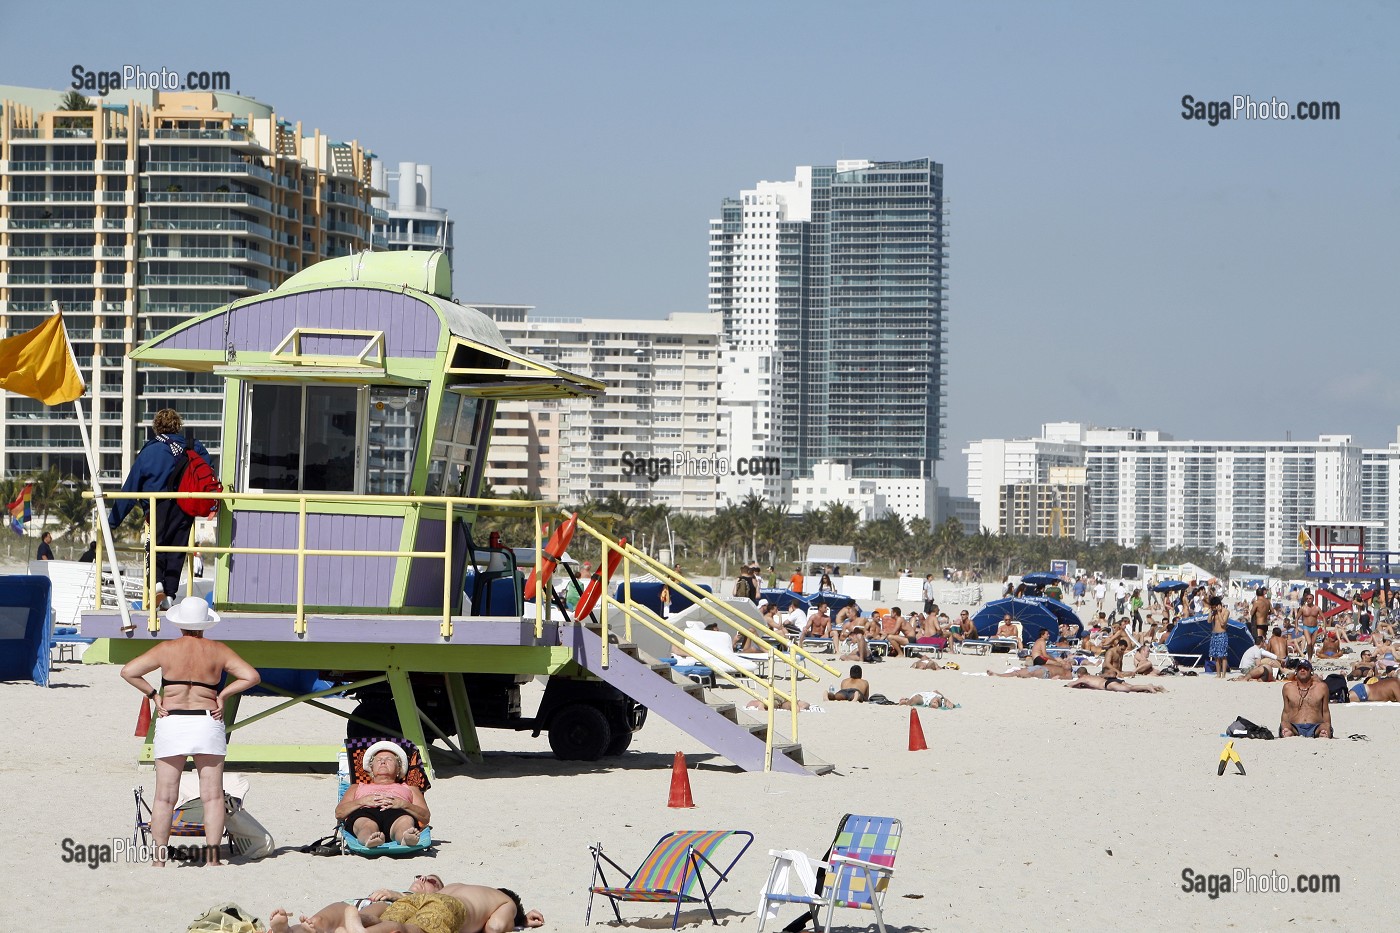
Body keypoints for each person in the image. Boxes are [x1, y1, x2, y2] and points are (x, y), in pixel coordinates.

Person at [119, 596, 260, 865]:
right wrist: (223, 695)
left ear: (179, 623)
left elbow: (129, 671)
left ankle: (159, 859)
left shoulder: (166, 649)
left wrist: (153, 695)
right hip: (206, 721)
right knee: (213, 795)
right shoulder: (218, 650)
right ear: (205, 625)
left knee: (164, 796)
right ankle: (212, 859)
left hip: (173, 720)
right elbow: (251, 676)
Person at [108, 408, 213, 611]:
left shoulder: (150, 450)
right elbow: (207, 473)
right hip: (185, 506)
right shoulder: (193, 446)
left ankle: (157, 584)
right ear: (178, 425)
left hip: (157, 506)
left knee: (156, 547)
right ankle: (171, 596)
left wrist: (112, 521)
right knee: (177, 551)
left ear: (156, 427)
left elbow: (131, 486)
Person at [272, 876, 545, 933]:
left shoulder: (458, 883)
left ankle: (295, 931)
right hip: (449, 907)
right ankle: (356, 929)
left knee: (380, 917)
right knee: (407, 931)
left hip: (414, 901)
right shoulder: (504, 899)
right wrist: (516, 921)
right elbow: (496, 927)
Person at [335, 741, 431, 848]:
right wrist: (362, 801)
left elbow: (425, 817)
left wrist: (404, 804)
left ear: (399, 768)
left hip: (398, 813)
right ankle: (369, 839)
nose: (383, 762)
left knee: (405, 821)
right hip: (365, 813)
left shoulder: (410, 788)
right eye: (378, 760)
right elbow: (339, 813)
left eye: (389, 759)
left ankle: (405, 838)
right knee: (366, 824)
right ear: (371, 768)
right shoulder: (356, 786)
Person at [1279, 659, 1332, 737]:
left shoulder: (1322, 687)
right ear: (1296, 672)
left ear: (1311, 671)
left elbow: (1325, 711)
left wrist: (1328, 728)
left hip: (1316, 727)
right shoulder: (1288, 688)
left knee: (1325, 729)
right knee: (1285, 727)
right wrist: (1284, 727)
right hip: (1295, 727)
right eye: (1300, 668)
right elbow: (1286, 711)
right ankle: (1288, 732)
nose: (1302, 670)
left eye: (1305, 668)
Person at [1065, 671, 1166, 693]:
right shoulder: (1091, 676)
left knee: (1128, 689)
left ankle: (1148, 686)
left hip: (1107, 684)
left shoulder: (1084, 678)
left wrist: (1066, 685)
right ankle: (1155, 687)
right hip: (1112, 680)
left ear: (1080, 675)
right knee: (1132, 686)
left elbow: (1070, 685)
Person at [1207, 595, 1229, 679]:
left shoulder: (1225, 611)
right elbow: (1209, 621)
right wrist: (1211, 612)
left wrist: (1219, 612)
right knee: (1215, 656)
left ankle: (1223, 674)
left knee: (1223, 655)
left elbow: (1223, 623)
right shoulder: (1213, 612)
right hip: (1214, 635)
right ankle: (1218, 673)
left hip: (1222, 634)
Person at [1297, 589, 1322, 661]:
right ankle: (1309, 658)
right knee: (1309, 643)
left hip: (1315, 628)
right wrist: (1296, 628)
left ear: (1313, 599)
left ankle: (1310, 658)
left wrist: (1325, 628)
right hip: (1306, 627)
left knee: (1312, 644)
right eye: (1307, 598)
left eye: (1310, 598)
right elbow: (1296, 618)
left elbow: (1323, 617)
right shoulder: (1303, 608)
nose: (1308, 600)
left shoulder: (1317, 608)